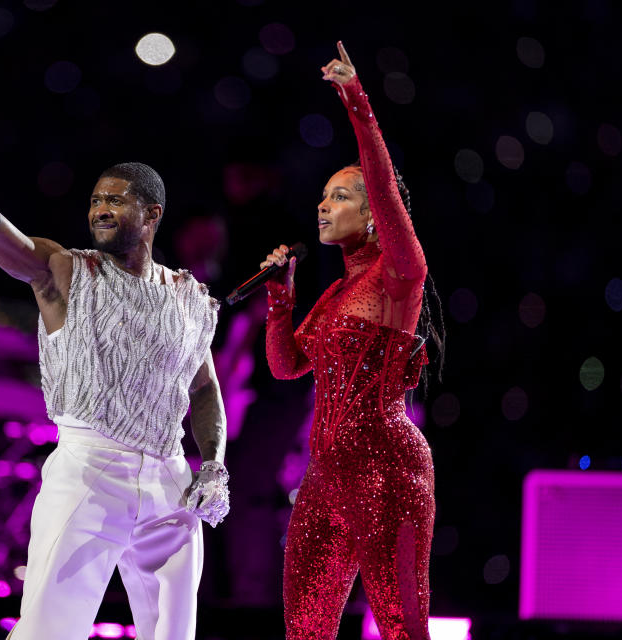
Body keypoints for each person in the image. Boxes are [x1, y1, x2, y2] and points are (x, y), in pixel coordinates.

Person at [0, 97, 229, 640]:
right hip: (90, 470)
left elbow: (205, 387)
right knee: (48, 631)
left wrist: (213, 465)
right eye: (95, 199)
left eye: (115, 201)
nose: (99, 209)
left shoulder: (189, 295)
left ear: (151, 214)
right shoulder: (63, 271)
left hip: (171, 481)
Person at [260, 42, 444, 640]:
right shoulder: (335, 296)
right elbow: (287, 367)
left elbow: (386, 186)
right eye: (322, 195)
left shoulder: (398, 274)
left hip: (388, 468)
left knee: (400, 625)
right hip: (324, 477)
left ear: (374, 216)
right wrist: (281, 297)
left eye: (340, 196)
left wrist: (358, 104)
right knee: (305, 629)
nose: (323, 204)